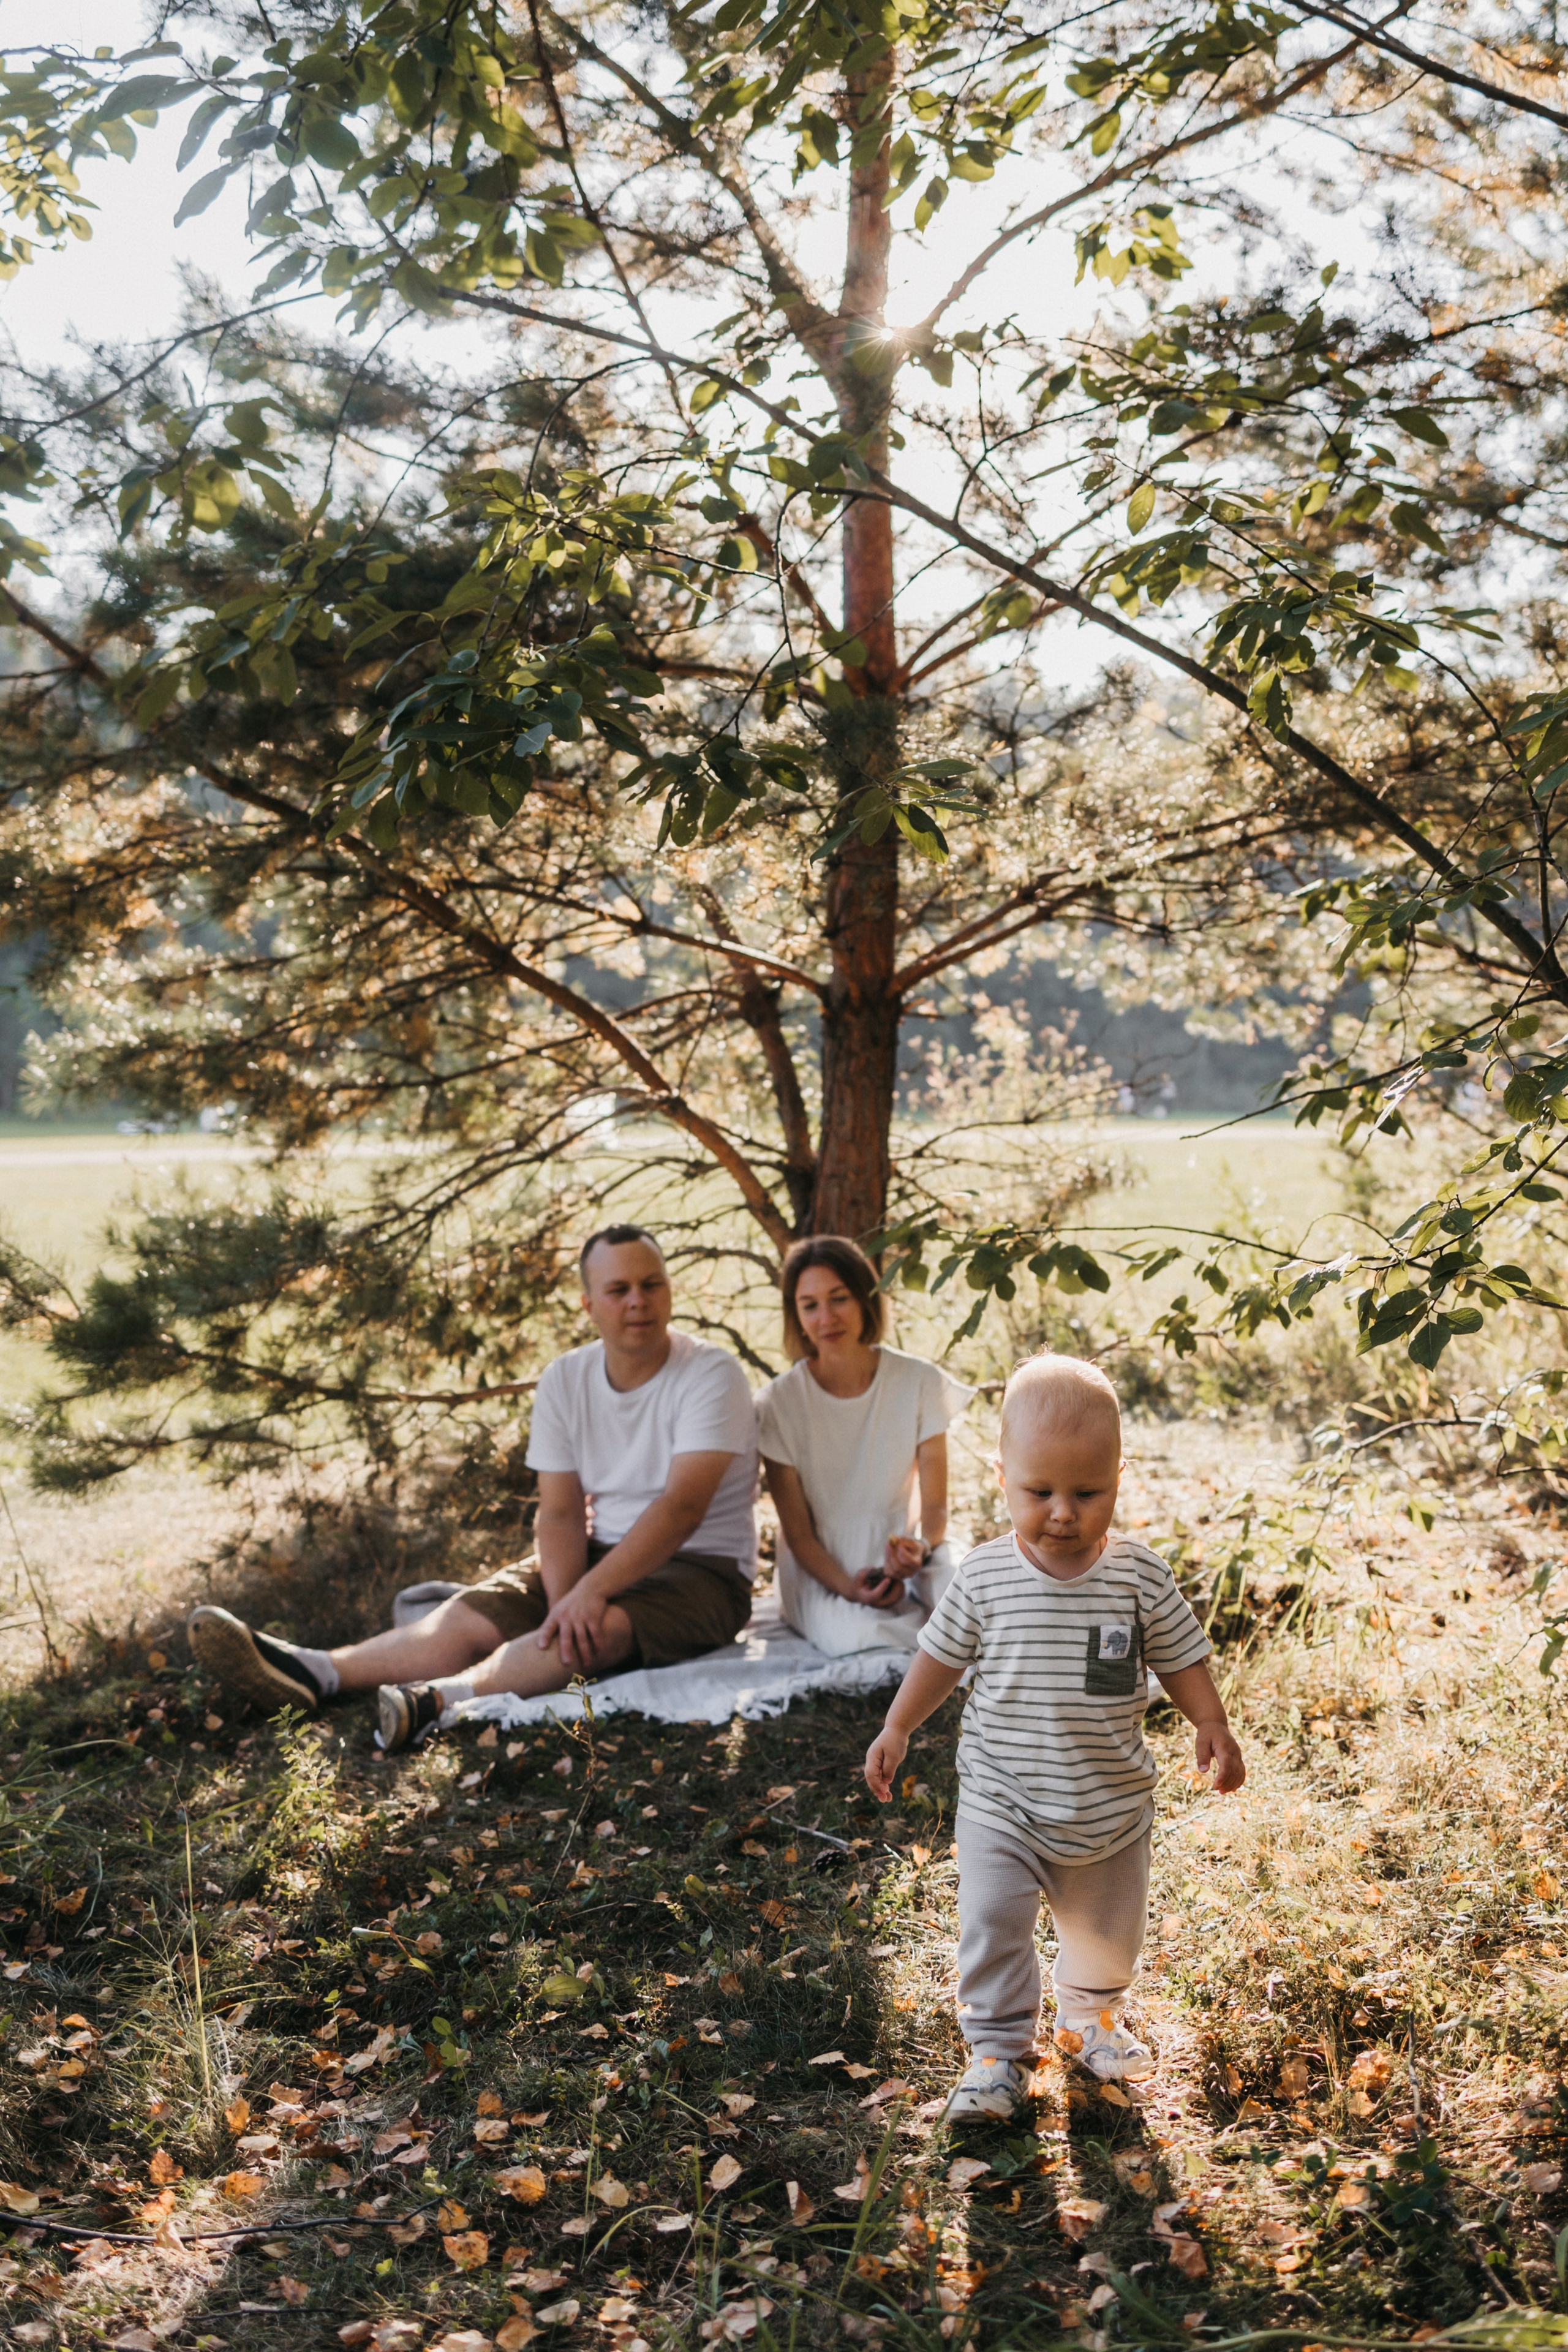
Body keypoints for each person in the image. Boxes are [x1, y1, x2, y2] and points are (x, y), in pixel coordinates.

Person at [189, 1226, 758, 1753]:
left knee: (597, 1632)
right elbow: (560, 1514)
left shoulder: (712, 1374)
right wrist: (565, 1600)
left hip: (702, 1571)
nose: (638, 1301)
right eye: (619, 1290)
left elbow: (681, 1509)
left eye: (652, 1285)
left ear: (669, 1291)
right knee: (469, 1619)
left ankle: (437, 1701)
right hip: (598, 1554)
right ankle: (316, 1672)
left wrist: (586, 1599)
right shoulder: (566, 1379)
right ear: (589, 1305)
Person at [864, 1350, 1245, 2124]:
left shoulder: (1138, 1577)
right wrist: (898, 1725)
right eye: (1039, 1492)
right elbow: (939, 1658)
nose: (1063, 1513)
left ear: (1119, 1478)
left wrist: (1210, 1720)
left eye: (1087, 1492)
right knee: (992, 1924)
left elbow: (1181, 1658)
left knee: (1107, 1934)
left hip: (1107, 1803)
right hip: (1001, 1801)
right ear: (1002, 1477)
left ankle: (1090, 2018)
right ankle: (997, 2053)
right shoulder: (984, 1576)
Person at [755, 1236, 965, 1657]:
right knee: (864, 1638)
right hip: (823, 1569)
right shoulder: (779, 1403)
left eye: (840, 1299)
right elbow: (799, 1536)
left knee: (966, 1600)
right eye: (809, 1305)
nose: (826, 1318)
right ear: (795, 1314)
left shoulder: (919, 1382)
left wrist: (919, 1550)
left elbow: (935, 1509)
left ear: (866, 1299)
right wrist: (850, 1588)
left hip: (906, 1552)